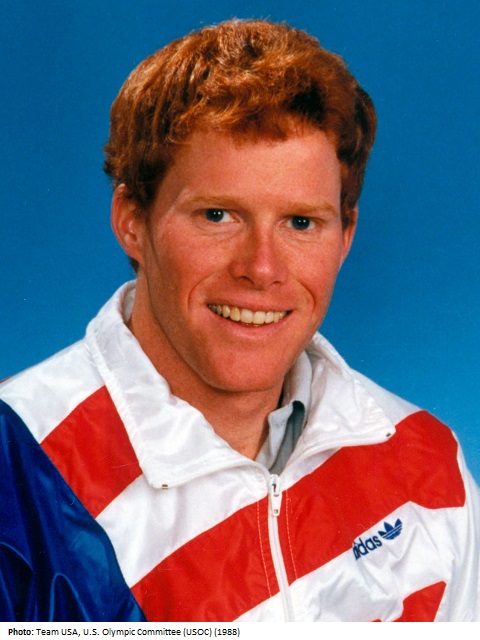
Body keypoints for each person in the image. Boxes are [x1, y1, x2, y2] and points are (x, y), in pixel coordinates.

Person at [0, 19, 479, 623]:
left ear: (345, 237)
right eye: (218, 215)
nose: (261, 268)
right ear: (132, 222)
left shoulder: (424, 465)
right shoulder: (18, 476)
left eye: (301, 223)